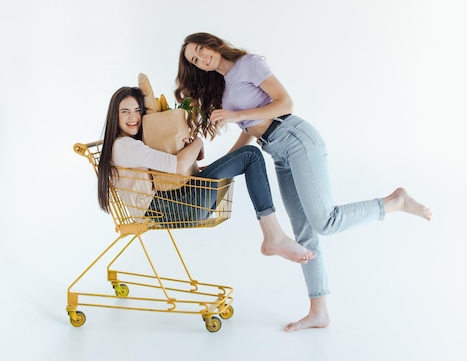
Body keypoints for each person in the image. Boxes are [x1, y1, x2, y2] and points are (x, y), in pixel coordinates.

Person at [175, 32, 433, 332]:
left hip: (296, 138)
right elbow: (248, 131)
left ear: (211, 43)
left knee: (326, 221)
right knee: (304, 232)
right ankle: (319, 312)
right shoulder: (226, 84)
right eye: (195, 60)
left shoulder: (249, 64)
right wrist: (223, 162)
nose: (201, 58)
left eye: (200, 50)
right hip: (278, 152)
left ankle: (394, 202)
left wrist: (236, 114)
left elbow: (286, 103)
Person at [96, 86, 315, 264]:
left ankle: (274, 236)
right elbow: (179, 165)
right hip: (168, 208)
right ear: (114, 115)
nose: (133, 117)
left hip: (171, 202)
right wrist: (198, 142)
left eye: (137, 111)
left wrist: (190, 157)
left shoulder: (128, 145)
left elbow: (173, 169)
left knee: (248, 156)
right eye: (125, 111)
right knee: (250, 155)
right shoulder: (125, 146)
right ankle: (273, 236)